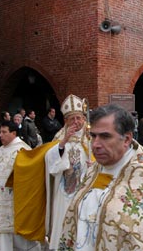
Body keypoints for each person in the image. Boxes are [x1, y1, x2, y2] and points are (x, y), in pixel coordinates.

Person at [59, 104, 143, 250]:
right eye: (93, 136)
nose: (95, 144)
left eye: (105, 136)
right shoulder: (93, 171)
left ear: (126, 139)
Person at [44, 94, 92, 250]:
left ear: (84, 118)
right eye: (72, 119)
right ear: (66, 121)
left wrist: (95, 164)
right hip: (66, 191)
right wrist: (64, 141)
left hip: (87, 188)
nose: (76, 122)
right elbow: (50, 161)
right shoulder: (60, 137)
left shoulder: (91, 136)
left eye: (79, 118)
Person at [0, 121, 41, 251]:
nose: (0, 135)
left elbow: (30, 176)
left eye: (4, 132)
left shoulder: (23, 150)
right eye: (0, 132)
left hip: (16, 200)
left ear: (14, 133)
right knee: (2, 233)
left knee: (21, 236)